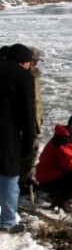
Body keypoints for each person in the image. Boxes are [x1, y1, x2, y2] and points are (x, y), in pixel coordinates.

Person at [0, 44, 35, 233]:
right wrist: (28, 142)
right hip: (6, 133)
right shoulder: (22, 76)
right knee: (8, 177)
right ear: (24, 61)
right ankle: (7, 222)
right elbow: (27, 112)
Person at [36, 114, 72, 213]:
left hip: (52, 175)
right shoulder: (63, 140)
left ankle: (59, 195)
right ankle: (60, 200)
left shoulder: (69, 137)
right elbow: (70, 165)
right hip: (48, 178)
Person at [19, 47, 44, 195]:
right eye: (33, 61)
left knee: (33, 151)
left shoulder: (33, 76)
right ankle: (20, 181)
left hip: (34, 120)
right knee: (25, 152)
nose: (35, 64)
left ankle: (26, 178)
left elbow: (37, 101)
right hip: (27, 121)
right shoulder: (22, 77)